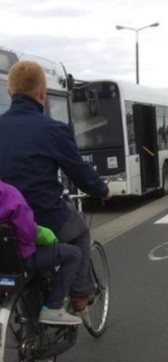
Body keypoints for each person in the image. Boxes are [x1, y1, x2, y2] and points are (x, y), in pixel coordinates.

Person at [0, 60, 110, 313]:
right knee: (80, 228)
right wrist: (101, 190)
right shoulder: (53, 129)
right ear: (42, 93)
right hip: (42, 219)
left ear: (10, 91)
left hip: (3, 226)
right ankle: (80, 293)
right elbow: (79, 171)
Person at [0, 179, 82, 325]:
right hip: (21, 258)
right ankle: (53, 307)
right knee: (73, 254)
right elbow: (28, 232)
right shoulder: (8, 193)